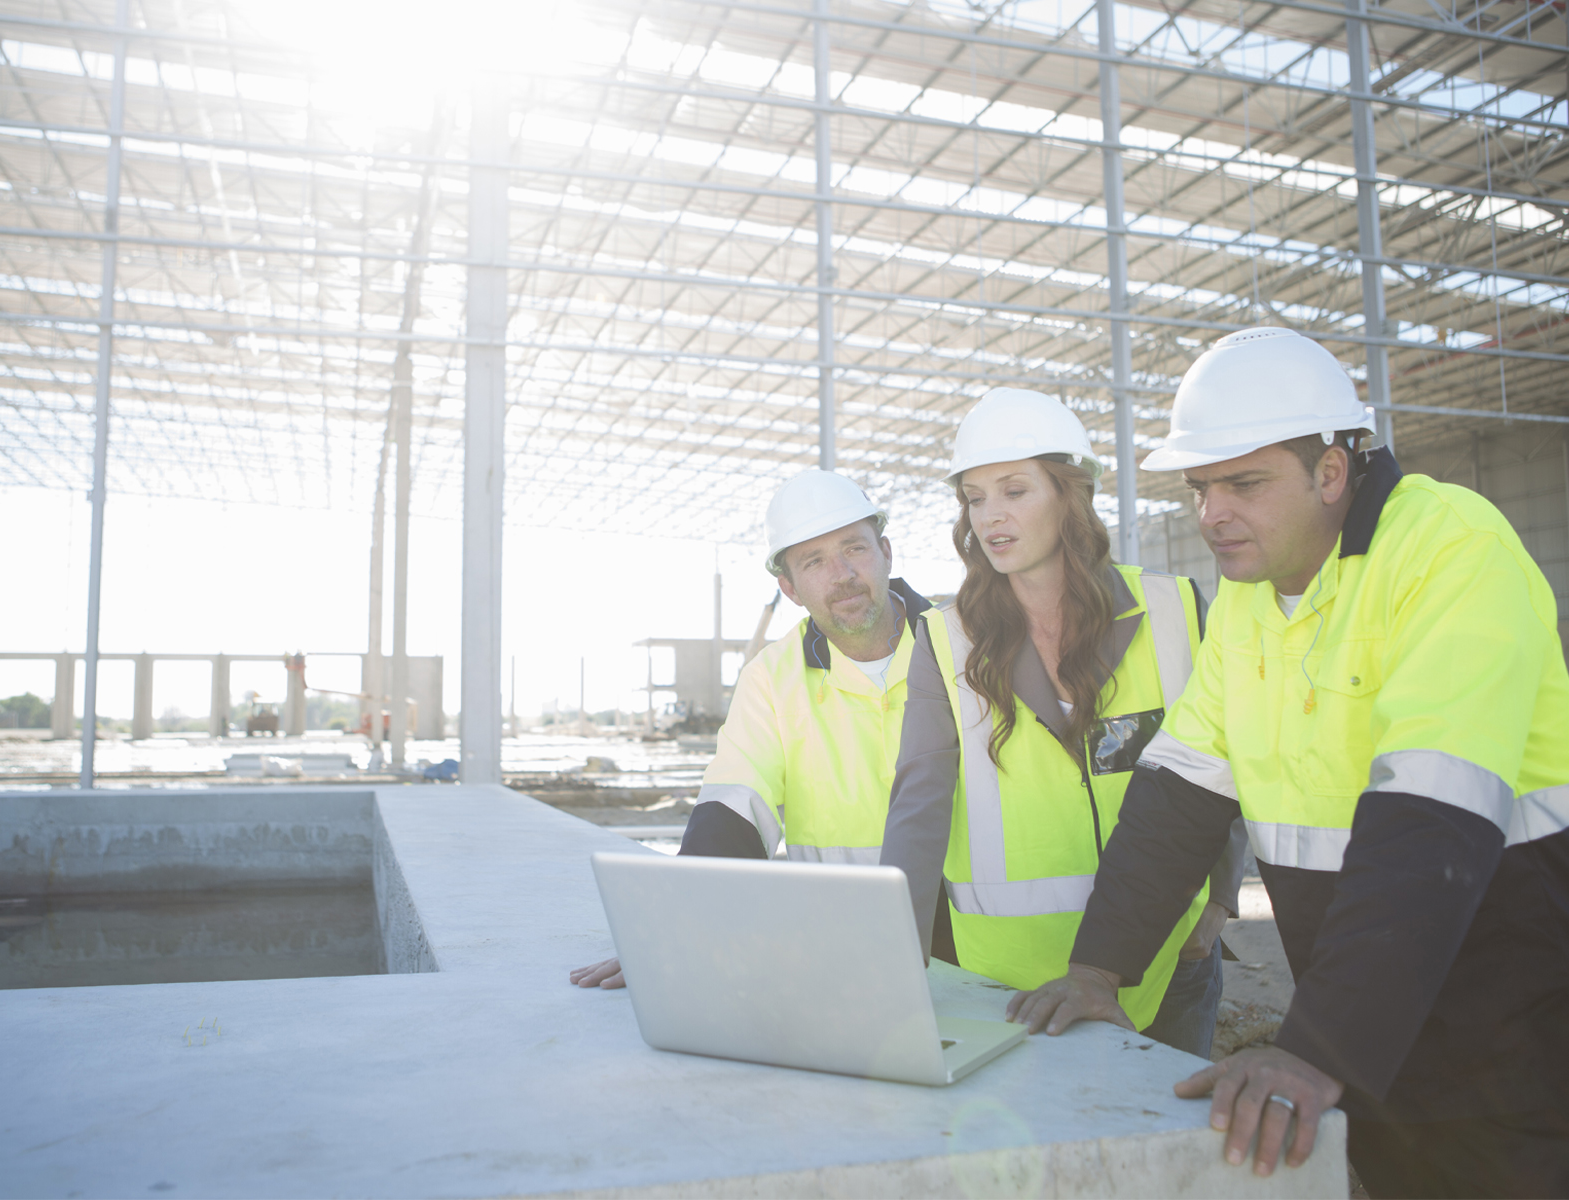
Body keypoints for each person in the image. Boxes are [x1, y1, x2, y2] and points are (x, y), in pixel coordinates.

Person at [1005, 328, 1569, 1197]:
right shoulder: (1249, 600)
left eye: (1245, 483)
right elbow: (1179, 791)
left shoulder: (1451, 551)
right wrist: (1099, 968)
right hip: (1369, 1038)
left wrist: (1318, 1050)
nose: (1211, 513)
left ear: (1333, 472)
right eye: (1201, 487)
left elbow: (1431, 815)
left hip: (1510, 1040)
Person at [880, 389, 1246, 1058]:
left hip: (1170, 962)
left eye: (1014, 490)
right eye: (975, 497)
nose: (991, 516)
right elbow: (919, 806)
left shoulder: (1176, 610)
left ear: (1069, 496)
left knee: (1172, 1154)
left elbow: (1225, 763)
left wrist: (1218, 902)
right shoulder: (945, 639)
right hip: (1013, 984)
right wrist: (885, 961)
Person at [572, 468, 935, 989]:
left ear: (886, 552)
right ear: (789, 587)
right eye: (814, 561)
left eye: (854, 549)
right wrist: (681, 925)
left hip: (982, 959)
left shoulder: (963, 651)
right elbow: (734, 807)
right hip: (848, 955)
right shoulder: (770, 678)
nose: (842, 574)